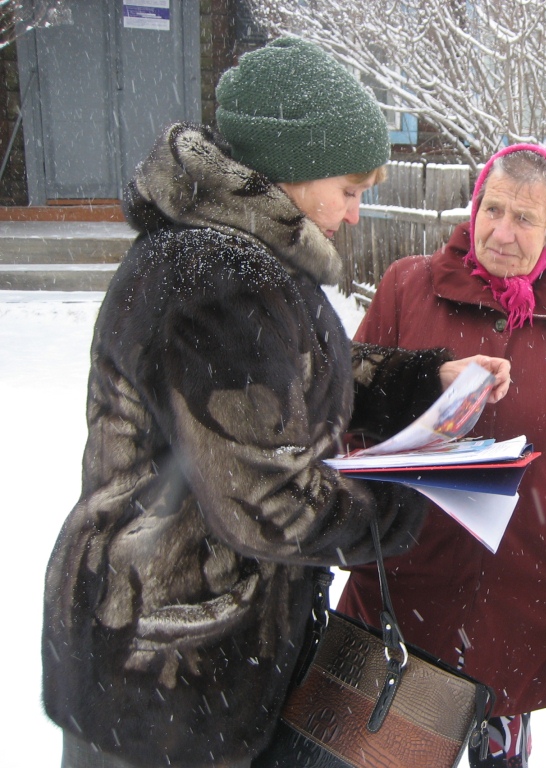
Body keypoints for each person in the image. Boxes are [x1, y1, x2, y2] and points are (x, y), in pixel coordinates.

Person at [41, 37, 509, 768]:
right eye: (350, 191)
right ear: (291, 173)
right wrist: (411, 494)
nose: (356, 214)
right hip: (166, 670)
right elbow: (270, 502)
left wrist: (422, 380)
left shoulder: (237, 262)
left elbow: (282, 381)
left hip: (190, 652)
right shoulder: (215, 281)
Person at [335, 143, 546, 766]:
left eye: (525, 219)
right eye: (491, 209)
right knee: (382, 752)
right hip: (405, 585)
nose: (501, 232)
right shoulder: (409, 288)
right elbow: (348, 410)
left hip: (524, 598)